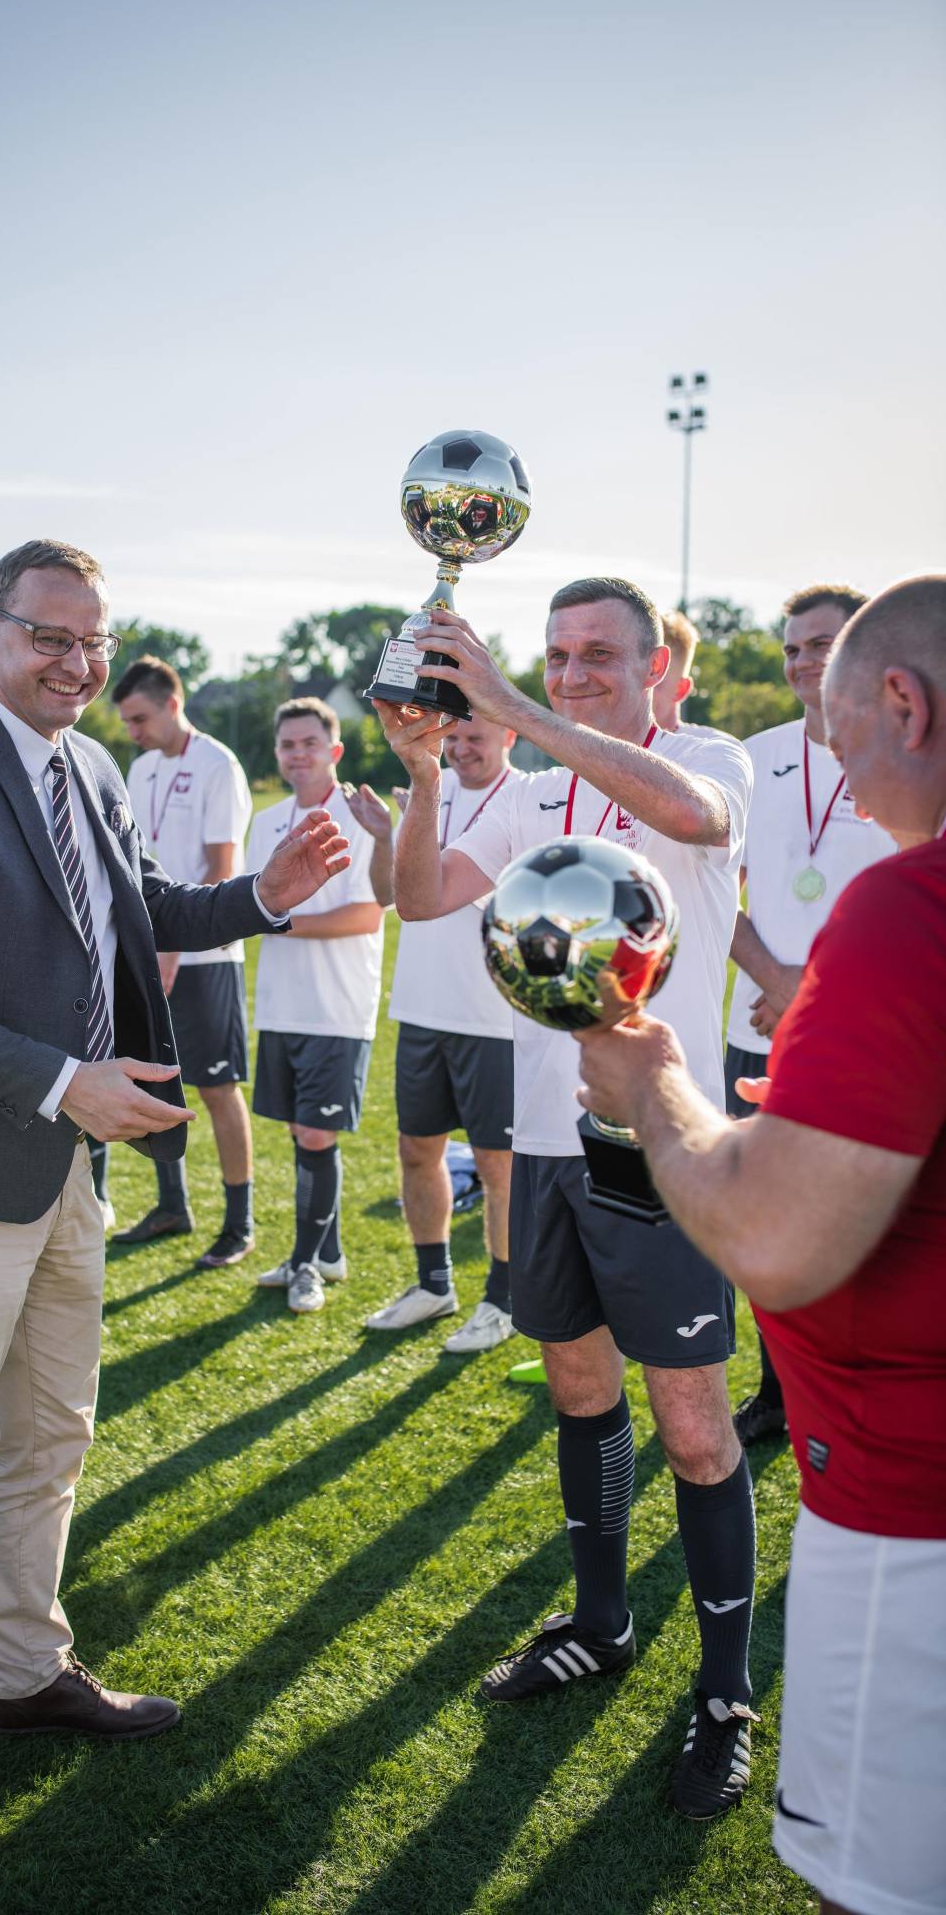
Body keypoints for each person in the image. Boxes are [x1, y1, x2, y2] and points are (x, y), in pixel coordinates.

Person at [0, 539, 349, 1880]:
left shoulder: (92, 766)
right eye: (49, 637)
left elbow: (138, 908)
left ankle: (26, 1667)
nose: (76, 661)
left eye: (92, 640)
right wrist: (64, 1085)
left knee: (53, 1434)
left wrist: (261, 902)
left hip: (63, 1176)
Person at [574, 573, 946, 1915]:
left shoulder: (911, 912)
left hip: (912, 1513)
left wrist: (655, 1091)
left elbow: (777, 1241)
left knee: (879, 1888)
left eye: (842, 735)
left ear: (904, 703)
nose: (838, 775)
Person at [380, 577, 758, 1819]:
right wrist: (431, 762)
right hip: (544, 1144)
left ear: (656, 669)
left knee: (695, 1430)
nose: (572, 668)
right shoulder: (530, 786)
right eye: (554, 653)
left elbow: (692, 819)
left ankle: (722, 1694)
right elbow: (422, 893)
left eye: (598, 652)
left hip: (660, 1143)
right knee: (578, 1388)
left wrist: (508, 706)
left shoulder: (700, 756)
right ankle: (601, 1623)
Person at [725, 582, 896, 1446]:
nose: (801, 662)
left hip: (865, 1037)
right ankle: (779, 1393)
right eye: (791, 648)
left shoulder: (912, 750)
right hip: (751, 1032)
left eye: (821, 645)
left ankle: (865, 1401)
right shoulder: (751, 759)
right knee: (765, 1228)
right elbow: (716, 895)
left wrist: (811, 990)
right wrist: (775, 977)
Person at [345, 716, 520, 1348]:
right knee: (418, 1152)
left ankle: (502, 1301)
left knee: (500, 1168)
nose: (464, 749)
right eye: (456, 737)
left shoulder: (526, 798)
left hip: (494, 1018)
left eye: (478, 736)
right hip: (421, 1009)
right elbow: (385, 897)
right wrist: (385, 838)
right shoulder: (427, 793)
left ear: (510, 737)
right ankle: (434, 1284)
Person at [110, 655, 256, 1265]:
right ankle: (173, 1204)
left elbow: (222, 869)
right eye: (127, 723)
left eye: (140, 718)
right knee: (151, 1082)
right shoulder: (139, 768)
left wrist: (171, 944)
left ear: (172, 704)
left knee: (216, 1089)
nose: (133, 732)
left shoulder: (218, 763)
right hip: (146, 954)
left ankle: (239, 1222)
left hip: (206, 957)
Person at [246, 698, 384, 1316]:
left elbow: (365, 913)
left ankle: (305, 1265)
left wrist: (281, 921)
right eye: (287, 745)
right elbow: (252, 904)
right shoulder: (268, 819)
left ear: (335, 750)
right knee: (302, 1136)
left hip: (337, 1007)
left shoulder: (358, 818)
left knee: (315, 1132)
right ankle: (326, 1252)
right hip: (282, 1005)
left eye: (309, 743)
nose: (297, 754)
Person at [652, 610, 700, 731]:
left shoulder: (712, 747)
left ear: (681, 690)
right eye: (637, 676)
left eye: (656, 679)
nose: (641, 688)